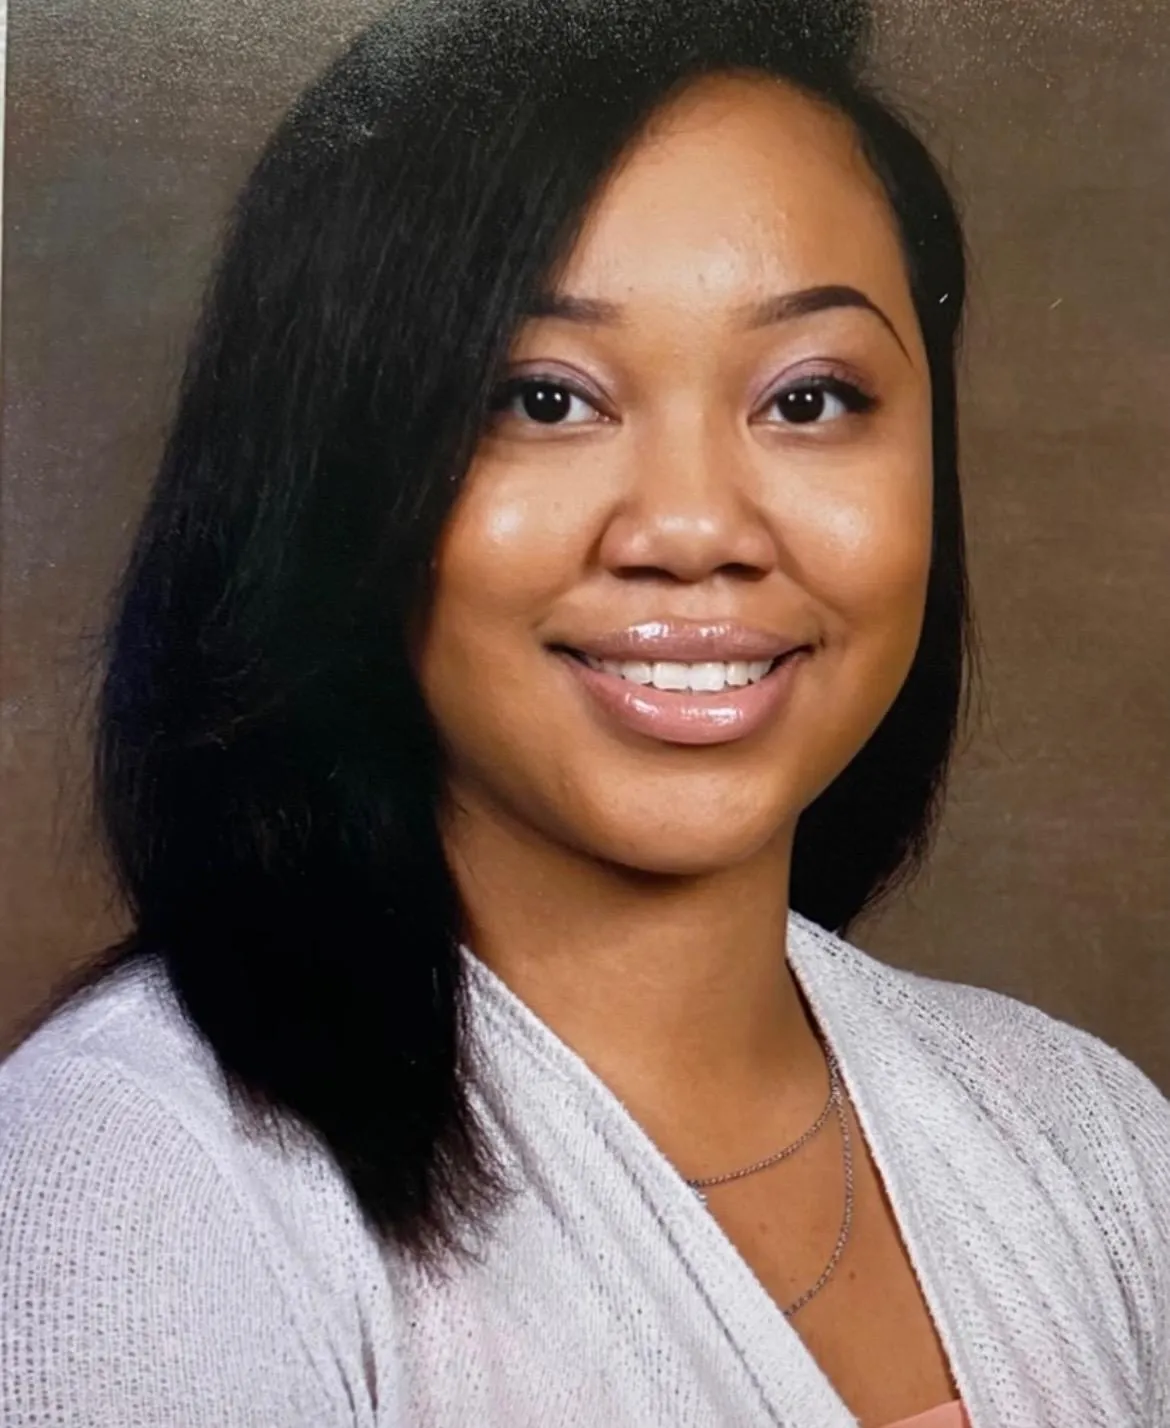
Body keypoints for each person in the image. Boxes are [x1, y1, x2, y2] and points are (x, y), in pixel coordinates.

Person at [1, 0, 1167, 1424]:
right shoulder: (137, 1181)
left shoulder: (1089, 1140)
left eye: (808, 400)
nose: (692, 529)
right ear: (336, 470)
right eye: (543, 399)